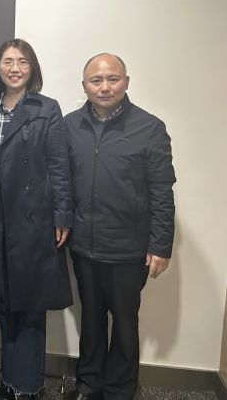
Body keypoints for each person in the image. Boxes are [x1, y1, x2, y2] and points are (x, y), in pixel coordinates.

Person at [63, 53, 176, 400]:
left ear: (126, 82)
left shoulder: (149, 128)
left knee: (125, 324)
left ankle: (119, 391)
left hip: (128, 250)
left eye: (112, 79)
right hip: (83, 245)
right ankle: (89, 385)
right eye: (96, 80)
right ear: (84, 86)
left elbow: (162, 192)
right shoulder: (69, 126)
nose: (104, 87)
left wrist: (161, 245)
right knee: (91, 319)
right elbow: (62, 183)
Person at [0, 39, 73, 399]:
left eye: (22, 61)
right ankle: (9, 380)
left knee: (31, 306)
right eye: (8, 61)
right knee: (3, 301)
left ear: (31, 67)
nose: (15, 68)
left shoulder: (47, 108)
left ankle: (29, 385)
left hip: (34, 222)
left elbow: (59, 167)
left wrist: (63, 214)